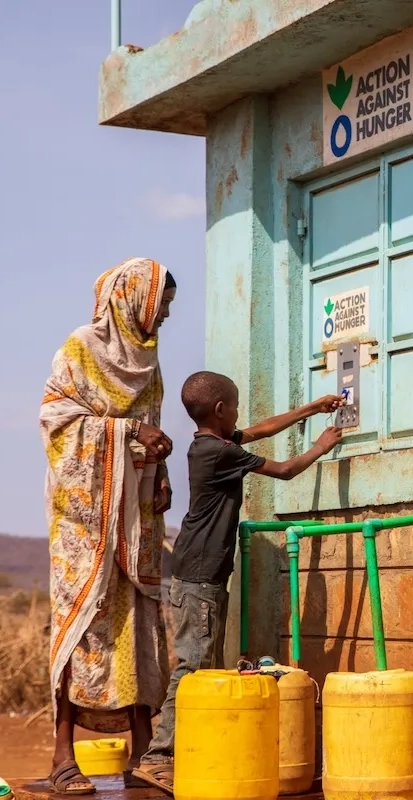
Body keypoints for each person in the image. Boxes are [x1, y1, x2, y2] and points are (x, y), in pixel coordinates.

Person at [133, 371, 344, 794]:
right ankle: (157, 757)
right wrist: (321, 446)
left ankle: (183, 752)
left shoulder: (210, 445)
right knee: (194, 668)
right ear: (220, 409)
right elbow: (283, 470)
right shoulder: (219, 453)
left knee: (204, 666)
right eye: (235, 405)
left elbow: (260, 429)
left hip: (198, 573)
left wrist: (309, 409)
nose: (240, 414)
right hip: (199, 578)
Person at [39, 258, 177, 795]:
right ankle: (60, 756)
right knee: (84, 628)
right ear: (133, 299)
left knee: (140, 629)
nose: (164, 315)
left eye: (166, 306)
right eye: (159, 303)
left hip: (134, 518)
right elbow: (57, 421)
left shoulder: (150, 361)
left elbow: (151, 426)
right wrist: (129, 433)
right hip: (85, 520)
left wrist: (159, 466)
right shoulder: (80, 349)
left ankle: (144, 753)